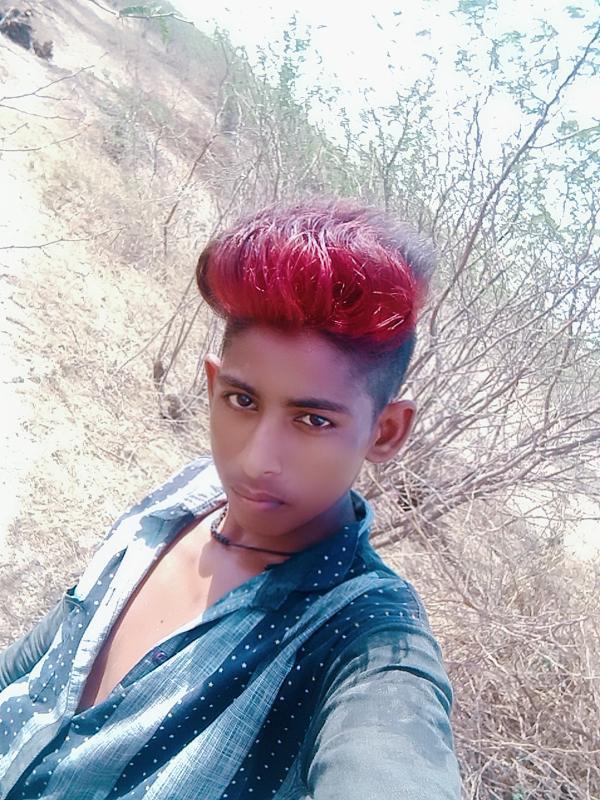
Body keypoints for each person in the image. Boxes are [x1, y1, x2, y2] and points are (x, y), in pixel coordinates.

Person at [0, 199, 462, 799]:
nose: (254, 460)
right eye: (243, 401)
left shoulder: (359, 640)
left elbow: (393, 758)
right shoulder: (182, 498)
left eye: (313, 420)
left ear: (386, 431)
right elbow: (54, 652)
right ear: (214, 384)